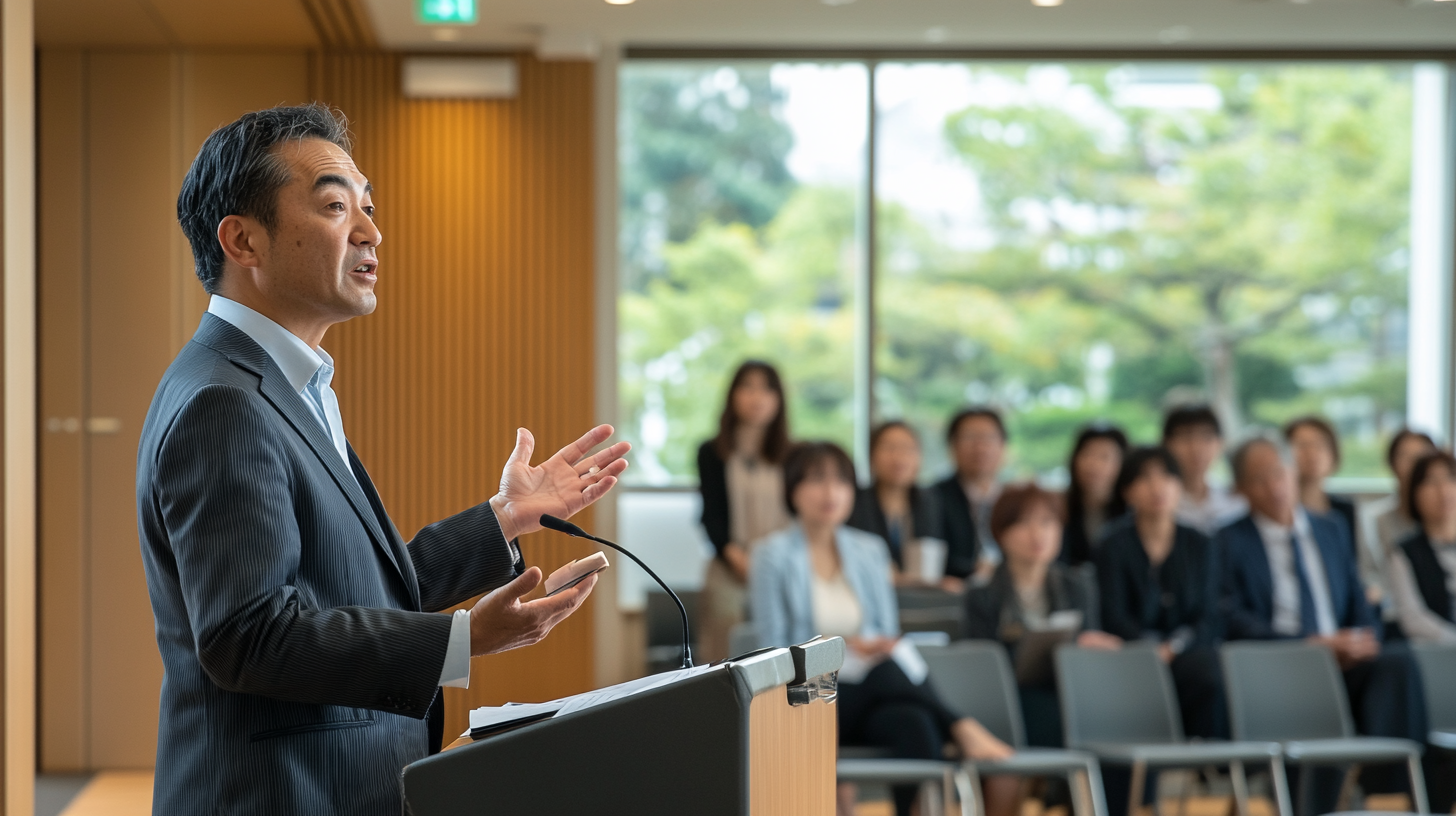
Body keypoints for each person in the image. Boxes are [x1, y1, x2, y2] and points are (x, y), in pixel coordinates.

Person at [140, 105, 625, 813]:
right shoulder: (225, 403)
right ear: (243, 240)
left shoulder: (286, 383)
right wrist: (460, 640)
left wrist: (503, 520)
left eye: (367, 206)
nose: (371, 231)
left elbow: (348, 592)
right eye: (336, 206)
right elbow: (249, 638)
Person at [750, 442, 1015, 816]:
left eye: (840, 481)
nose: (830, 493)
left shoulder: (869, 550)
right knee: (890, 673)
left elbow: (886, 631)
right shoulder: (771, 555)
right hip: (809, 693)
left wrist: (872, 646)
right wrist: (835, 648)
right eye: (815, 480)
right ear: (792, 489)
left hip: (871, 687)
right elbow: (771, 647)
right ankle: (959, 723)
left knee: (916, 723)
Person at [1218, 436, 1437, 814]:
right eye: (1260, 478)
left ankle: (1386, 787)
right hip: (1280, 665)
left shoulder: (1331, 528)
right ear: (1240, 489)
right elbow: (1231, 618)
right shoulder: (1227, 540)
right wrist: (1309, 646)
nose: (1275, 486)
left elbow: (1359, 599)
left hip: (1344, 661)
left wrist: (1361, 640)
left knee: (1397, 661)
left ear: (1294, 472)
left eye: (1280, 472)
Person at [963, 484, 1121, 749]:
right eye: (1024, 523)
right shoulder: (982, 595)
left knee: (1116, 712)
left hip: (1073, 687)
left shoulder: (1077, 586)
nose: (1038, 534)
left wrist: (1092, 645)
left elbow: (1089, 638)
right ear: (1001, 533)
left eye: (1048, 522)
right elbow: (983, 666)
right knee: (1047, 710)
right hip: (1012, 695)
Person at [1097, 447, 1226, 739]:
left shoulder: (1200, 544)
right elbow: (1113, 614)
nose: (1157, 487)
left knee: (1208, 673)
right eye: (1144, 479)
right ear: (1127, 491)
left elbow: (1209, 612)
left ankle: (1209, 767)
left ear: (1179, 486)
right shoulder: (1112, 545)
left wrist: (1175, 646)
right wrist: (1149, 646)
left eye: (1166, 477)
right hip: (1131, 653)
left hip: (1188, 650)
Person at [696, 360, 794, 662]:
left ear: (778, 399)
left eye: (766, 388)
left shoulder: (794, 454)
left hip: (785, 562)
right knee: (728, 629)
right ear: (732, 396)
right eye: (747, 387)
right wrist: (738, 558)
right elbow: (710, 514)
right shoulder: (712, 452)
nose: (757, 396)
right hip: (731, 564)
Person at [848, 420, 944, 581]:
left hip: (923, 597)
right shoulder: (854, 502)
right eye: (889, 448)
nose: (899, 457)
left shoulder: (933, 502)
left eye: (908, 449)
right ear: (871, 455)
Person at [1359, 428, 1438, 614]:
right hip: (1392, 609)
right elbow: (1368, 573)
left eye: (1422, 456)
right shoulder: (1372, 518)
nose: (1414, 465)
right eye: (1405, 456)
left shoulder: (1446, 521)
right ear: (1391, 463)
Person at [934, 406, 1006, 589]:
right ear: (952, 446)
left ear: (1003, 446)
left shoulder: (1013, 500)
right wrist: (974, 569)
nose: (980, 447)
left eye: (989, 438)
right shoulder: (933, 497)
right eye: (970, 438)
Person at [1389, 450, 1456, 643]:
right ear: (1414, 493)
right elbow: (1413, 619)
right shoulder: (1405, 553)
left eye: (1451, 478)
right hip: (1438, 654)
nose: (1443, 490)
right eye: (1431, 482)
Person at [1162, 405, 1246, 536]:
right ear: (1166, 443)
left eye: (1206, 437)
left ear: (1220, 443)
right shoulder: (1157, 501)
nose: (1196, 447)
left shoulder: (1234, 500)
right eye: (1185, 437)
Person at [1061, 424, 1129, 567]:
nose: (1093, 464)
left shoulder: (1132, 512)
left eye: (1105, 457)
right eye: (1087, 454)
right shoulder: (1060, 508)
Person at [1284, 416, 1358, 545]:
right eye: (1303, 445)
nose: (1312, 453)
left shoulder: (1345, 510)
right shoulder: (1280, 509)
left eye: (1320, 445)